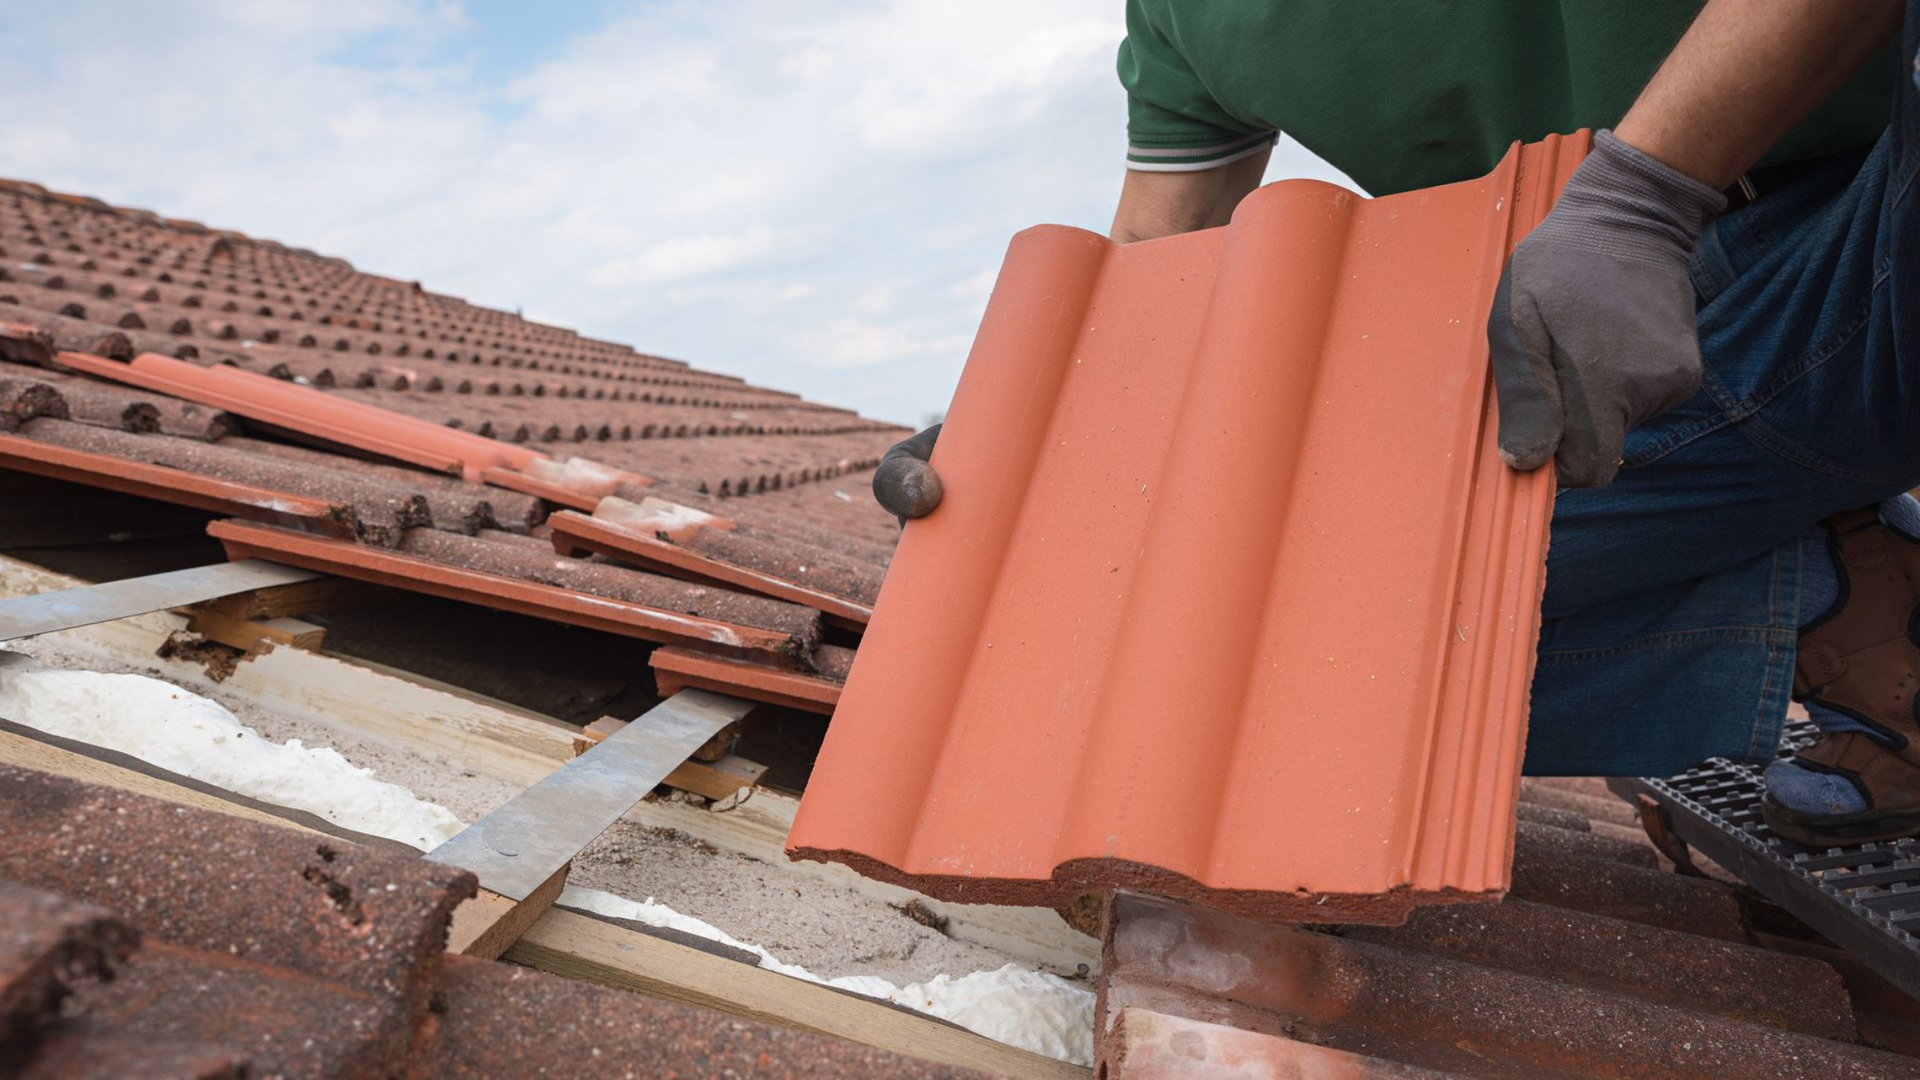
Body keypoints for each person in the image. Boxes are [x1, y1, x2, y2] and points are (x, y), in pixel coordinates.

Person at [873, 1, 1918, 847]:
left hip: (1862, 222)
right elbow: (1151, 277)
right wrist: (1022, 443)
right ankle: (1844, 603)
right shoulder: (1181, 22)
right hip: (1590, 336)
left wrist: (1644, 196)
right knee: (1210, 660)